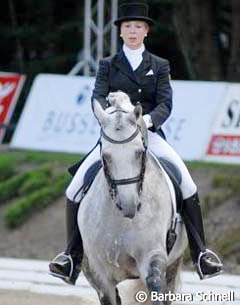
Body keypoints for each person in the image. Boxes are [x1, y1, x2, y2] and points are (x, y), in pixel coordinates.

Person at [49, 2, 223, 285]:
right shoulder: (107, 64)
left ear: (146, 31)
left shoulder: (159, 65)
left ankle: (201, 253)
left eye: (138, 27)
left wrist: (148, 122)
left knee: (188, 184)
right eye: (127, 27)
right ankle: (71, 257)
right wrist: (107, 114)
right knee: (73, 188)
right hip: (115, 136)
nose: (132, 31)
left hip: (148, 135)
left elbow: (166, 103)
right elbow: (96, 96)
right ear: (120, 32)